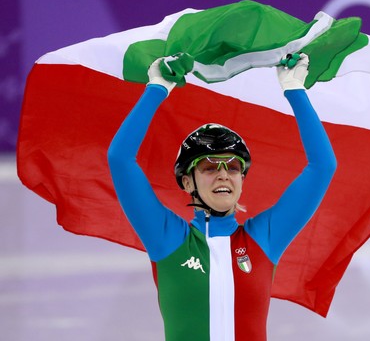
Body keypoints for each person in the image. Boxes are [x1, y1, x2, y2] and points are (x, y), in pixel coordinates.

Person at [107, 53, 337, 341]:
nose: (223, 174)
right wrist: (157, 89)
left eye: (232, 167)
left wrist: (294, 90)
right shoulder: (167, 238)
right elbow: (120, 159)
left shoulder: (263, 239)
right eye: (208, 167)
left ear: (242, 179)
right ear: (188, 181)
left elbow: (323, 166)